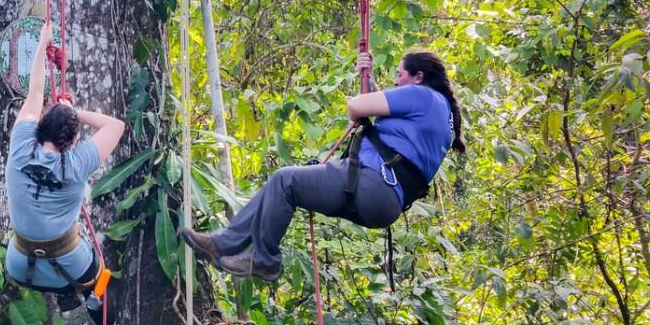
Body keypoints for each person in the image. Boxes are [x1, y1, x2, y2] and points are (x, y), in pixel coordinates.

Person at [181, 51, 465, 280]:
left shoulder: (422, 95)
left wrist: (365, 91)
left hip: (372, 184)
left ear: (418, 77)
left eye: (399, 76)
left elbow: (357, 107)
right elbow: (390, 123)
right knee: (288, 183)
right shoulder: (441, 115)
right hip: (384, 202)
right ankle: (235, 249)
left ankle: (255, 256)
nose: (396, 83)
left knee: (285, 180)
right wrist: (369, 78)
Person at [5, 17, 127, 325]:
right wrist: (76, 111)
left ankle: (63, 294)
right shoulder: (76, 163)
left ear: (40, 126)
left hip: (19, 266)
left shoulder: (19, 143)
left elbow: (33, 92)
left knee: (37, 246)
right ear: (73, 140)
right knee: (99, 282)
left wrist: (43, 46)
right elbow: (115, 126)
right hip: (69, 263)